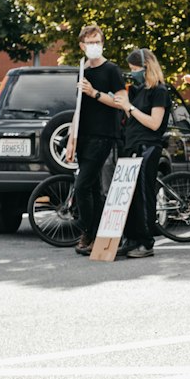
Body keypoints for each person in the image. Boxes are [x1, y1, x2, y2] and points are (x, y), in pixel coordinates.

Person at [65, 24, 127, 255]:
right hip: (84, 134)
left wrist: (95, 93)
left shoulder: (111, 70)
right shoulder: (83, 71)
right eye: (89, 42)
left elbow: (121, 101)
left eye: (97, 41)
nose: (94, 46)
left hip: (104, 135)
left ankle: (88, 231)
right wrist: (71, 139)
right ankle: (99, 233)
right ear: (82, 45)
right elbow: (78, 109)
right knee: (91, 188)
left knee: (82, 186)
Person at [116, 48, 170, 259]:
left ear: (147, 67)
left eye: (135, 68)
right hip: (132, 146)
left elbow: (155, 123)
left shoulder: (160, 91)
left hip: (148, 147)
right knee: (129, 196)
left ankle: (146, 242)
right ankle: (131, 238)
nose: (133, 72)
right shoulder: (139, 91)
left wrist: (129, 108)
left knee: (144, 194)